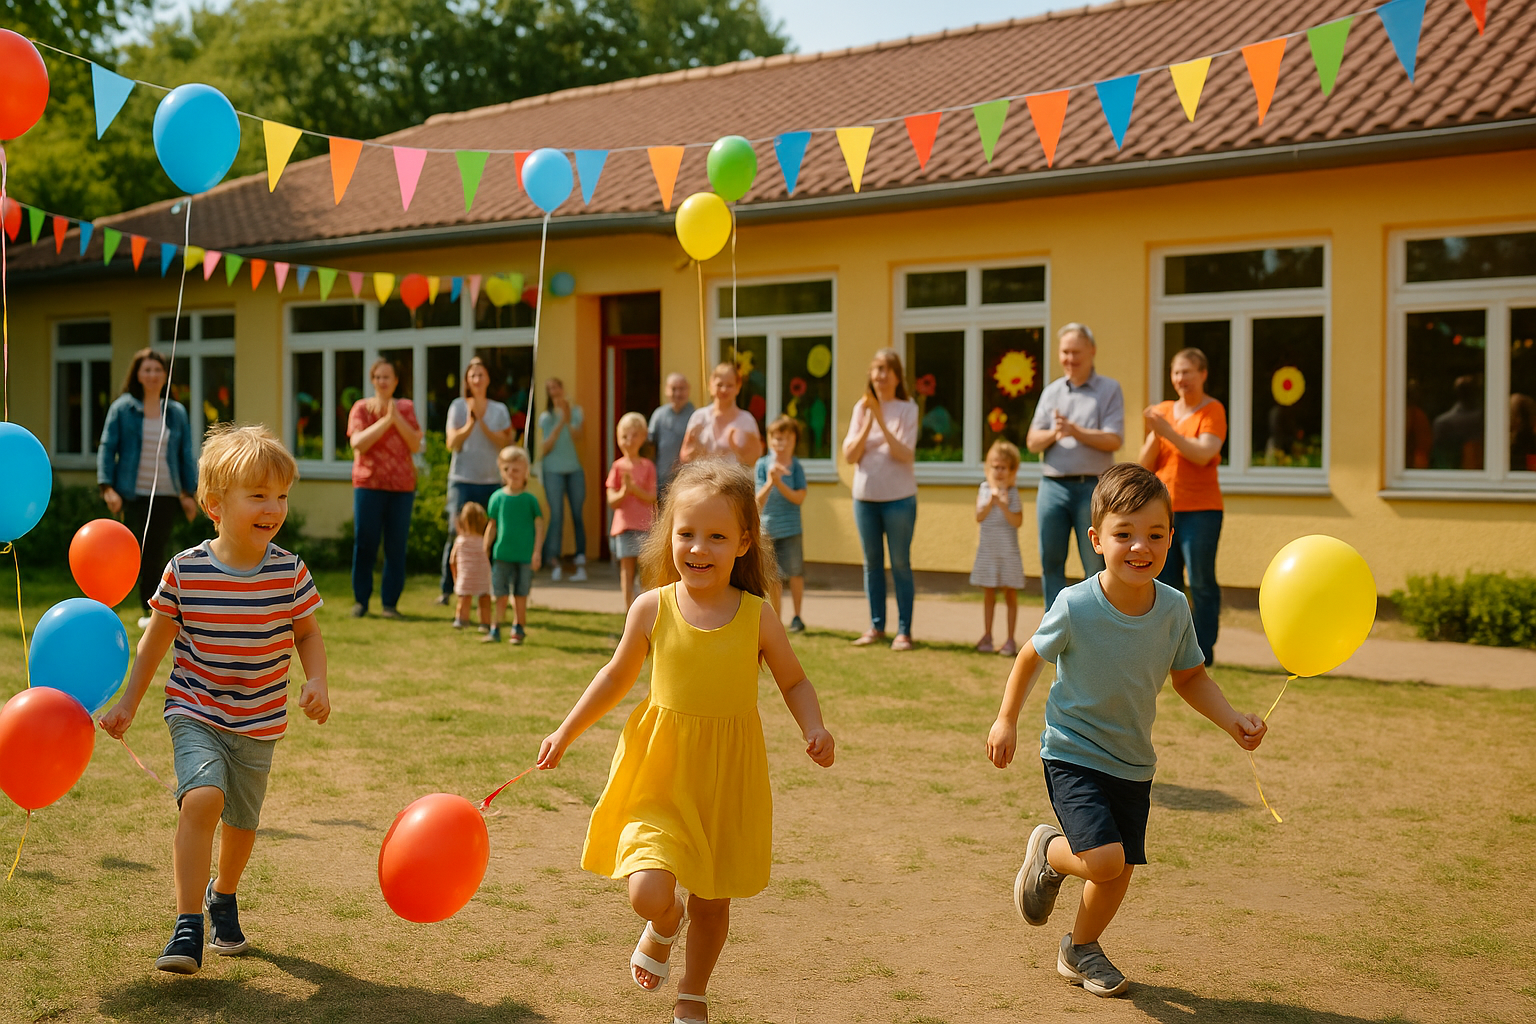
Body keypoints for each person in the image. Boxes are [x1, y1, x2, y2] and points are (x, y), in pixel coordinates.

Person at [534, 460, 834, 1024]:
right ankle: (664, 920)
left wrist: (812, 726)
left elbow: (793, 680)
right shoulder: (652, 608)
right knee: (648, 889)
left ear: (744, 543)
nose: (699, 548)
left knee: (715, 899)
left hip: (728, 778)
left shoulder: (758, 616)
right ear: (668, 533)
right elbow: (614, 677)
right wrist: (566, 730)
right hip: (663, 773)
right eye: (686, 533)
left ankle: (693, 992)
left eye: (717, 536)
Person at [986, 463, 1266, 999]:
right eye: (1124, 534)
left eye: (1154, 535)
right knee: (1106, 858)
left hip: (1133, 761)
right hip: (1072, 751)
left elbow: (1190, 676)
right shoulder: (1076, 604)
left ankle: (1081, 947)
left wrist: (1233, 721)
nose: (1141, 546)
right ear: (1096, 540)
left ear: (1170, 538)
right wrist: (1006, 719)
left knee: (1119, 869)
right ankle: (1048, 853)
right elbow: (1029, 656)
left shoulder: (1175, 608)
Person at [99, 424, 329, 977]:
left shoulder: (289, 571)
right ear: (214, 504)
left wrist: (317, 679)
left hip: (259, 718)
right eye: (259, 495)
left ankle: (222, 895)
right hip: (195, 707)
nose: (274, 507)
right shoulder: (185, 569)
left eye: (281, 495)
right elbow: (156, 638)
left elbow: (308, 635)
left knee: (243, 824)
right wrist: (130, 700)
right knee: (203, 799)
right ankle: (186, 927)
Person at [97, 348, 199, 627]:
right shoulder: (123, 408)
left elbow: (185, 453)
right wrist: (107, 487)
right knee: (129, 555)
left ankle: (150, 612)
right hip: (132, 494)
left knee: (156, 554)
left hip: (166, 494)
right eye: (147, 370)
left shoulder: (176, 412)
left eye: (158, 370)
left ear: (165, 375)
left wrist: (189, 493)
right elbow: (107, 447)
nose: (153, 375)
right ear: (138, 375)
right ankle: (109, 607)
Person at [1138, 347, 1227, 667]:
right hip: (1164, 513)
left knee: (1201, 581)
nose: (1181, 379)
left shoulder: (1212, 410)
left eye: (1187, 372)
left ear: (1203, 374)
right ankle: (1172, 648)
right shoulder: (1164, 411)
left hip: (1202, 511)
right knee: (1166, 582)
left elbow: (1204, 453)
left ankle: (1204, 651)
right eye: (1176, 372)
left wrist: (1167, 432)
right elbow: (1145, 465)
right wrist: (1155, 434)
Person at [1027, 324, 1125, 610]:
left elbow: (1114, 439)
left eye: (1076, 352)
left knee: (1095, 564)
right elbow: (1033, 442)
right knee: (1050, 562)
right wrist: (1055, 434)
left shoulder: (1109, 389)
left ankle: (1094, 627)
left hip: (1092, 488)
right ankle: (1053, 631)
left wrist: (1075, 431)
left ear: (1092, 351)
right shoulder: (1052, 392)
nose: (1070, 358)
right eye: (1065, 352)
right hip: (1053, 486)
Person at [842, 348, 919, 651]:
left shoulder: (907, 408)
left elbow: (904, 453)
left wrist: (880, 420)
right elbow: (850, 455)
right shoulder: (861, 408)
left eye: (887, 369)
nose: (881, 375)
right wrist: (867, 420)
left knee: (900, 563)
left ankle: (904, 631)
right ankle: (876, 627)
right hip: (865, 499)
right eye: (876, 369)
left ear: (897, 375)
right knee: (871, 564)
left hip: (899, 499)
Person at [347, 358, 421, 618]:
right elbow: (359, 443)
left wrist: (395, 416)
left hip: (401, 487)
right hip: (368, 485)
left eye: (387, 377)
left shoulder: (406, 407)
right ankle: (361, 602)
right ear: (372, 380)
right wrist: (386, 421)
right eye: (378, 377)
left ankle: (390, 604)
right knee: (365, 544)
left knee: (396, 546)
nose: (382, 381)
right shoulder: (361, 408)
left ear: (396, 381)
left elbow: (414, 443)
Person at [439, 357, 514, 606]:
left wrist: (484, 424)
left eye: (481, 374)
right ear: (467, 381)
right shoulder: (457, 407)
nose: (477, 379)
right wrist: (470, 424)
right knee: (455, 535)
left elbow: (506, 442)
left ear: (488, 379)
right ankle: (448, 590)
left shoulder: (499, 409)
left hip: (491, 481)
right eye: (473, 375)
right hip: (461, 480)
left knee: (490, 537)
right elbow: (452, 443)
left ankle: (489, 588)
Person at [484, 446, 545, 646]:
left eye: (517, 469)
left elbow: (539, 526)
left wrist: (536, 552)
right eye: (508, 469)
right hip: (502, 555)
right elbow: (492, 526)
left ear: (525, 471)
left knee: (521, 593)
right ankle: (495, 627)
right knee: (500, 594)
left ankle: (518, 627)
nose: (512, 473)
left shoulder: (530, 500)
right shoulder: (497, 498)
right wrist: (485, 549)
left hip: (524, 556)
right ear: (502, 471)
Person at [971, 439, 1026, 656]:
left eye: (1003, 467)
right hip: (988, 552)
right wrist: (990, 502)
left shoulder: (1013, 493)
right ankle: (987, 635)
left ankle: (1010, 639)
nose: (998, 471)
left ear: (1012, 470)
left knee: (1010, 594)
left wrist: (1002, 504)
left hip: (1008, 553)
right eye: (995, 466)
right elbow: (978, 517)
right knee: (988, 593)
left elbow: (1017, 521)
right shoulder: (984, 490)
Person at [755, 414, 808, 633]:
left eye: (785, 438)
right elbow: (757, 501)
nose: (780, 443)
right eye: (776, 438)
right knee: (773, 578)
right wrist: (770, 482)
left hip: (792, 529)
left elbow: (799, 498)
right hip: (767, 529)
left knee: (795, 573)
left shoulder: (796, 467)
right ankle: (776, 619)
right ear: (769, 440)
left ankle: (797, 617)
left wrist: (780, 484)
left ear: (794, 440)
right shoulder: (762, 464)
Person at [536, 377, 588, 582]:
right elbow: (545, 447)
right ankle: (553, 560)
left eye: (556, 387)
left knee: (577, 514)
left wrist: (567, 418)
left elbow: (578, 437)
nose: (553, 392)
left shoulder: (576, 413)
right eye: (549, 389)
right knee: (556, 515)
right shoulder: (545, 417)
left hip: (574, 469)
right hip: (553, 470)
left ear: (562, 388)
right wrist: (559, 421)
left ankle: (580, 558)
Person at [607, 412, 658, 609]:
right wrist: (623, 491)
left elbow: (652, 496)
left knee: (646, 571)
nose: (629, 441)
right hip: (624, 526)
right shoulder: (617, 467)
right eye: (624, 436)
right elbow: (612, 501)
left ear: (643, 436)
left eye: (634, 435)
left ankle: (645, 609)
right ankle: (630, 611)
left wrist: (634, 489)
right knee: (626, 570)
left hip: (645, 526)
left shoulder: (647, 466)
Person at [681, 362, 762, 467]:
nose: (724, 390)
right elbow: (685, 458)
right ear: (710, 385)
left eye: (729, 385)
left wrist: (739, 452)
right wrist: (694, 448)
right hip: (705, 480)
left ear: (738, 387)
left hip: (734, 481)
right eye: (719, 384)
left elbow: (755, 461)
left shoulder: (747, 421)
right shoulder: (699, 417)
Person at [648, 372, 696, 496]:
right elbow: (650, 446)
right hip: (661, 482)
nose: (678, 393)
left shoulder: (696, 416)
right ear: (666, 390)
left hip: (688, 480)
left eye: (682, 389)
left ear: (688, 390)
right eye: (673, 389)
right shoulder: (659, 415)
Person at [449, 501, 493, 632]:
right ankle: (485, 623)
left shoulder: (460, 540)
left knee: (464, 599)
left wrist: (455, 577)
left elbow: (452, 560)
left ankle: (461, 620)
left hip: (465, 575)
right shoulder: (483, 541)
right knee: (484, 599)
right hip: (482, 575)